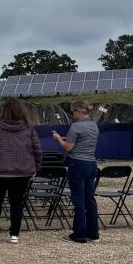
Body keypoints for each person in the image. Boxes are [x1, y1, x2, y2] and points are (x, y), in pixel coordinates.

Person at [0, 98, 42, 244]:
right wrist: (36, 166)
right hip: (22, 171)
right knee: (17, 203)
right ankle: (14, 234)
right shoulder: (28, 127)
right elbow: (37, 148)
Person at [53, 100, 101, 243]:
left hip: (77, 163)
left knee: (78, 200)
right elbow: (83, 142)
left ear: (79, 111)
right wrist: (67, 139)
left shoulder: (76, 126)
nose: (73, 114)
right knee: (89, 199)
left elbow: (68, 148)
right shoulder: (94, 126)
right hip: (91, 163)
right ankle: (93, 233)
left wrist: (58, 140)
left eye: (73, 111)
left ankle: (79, 234)